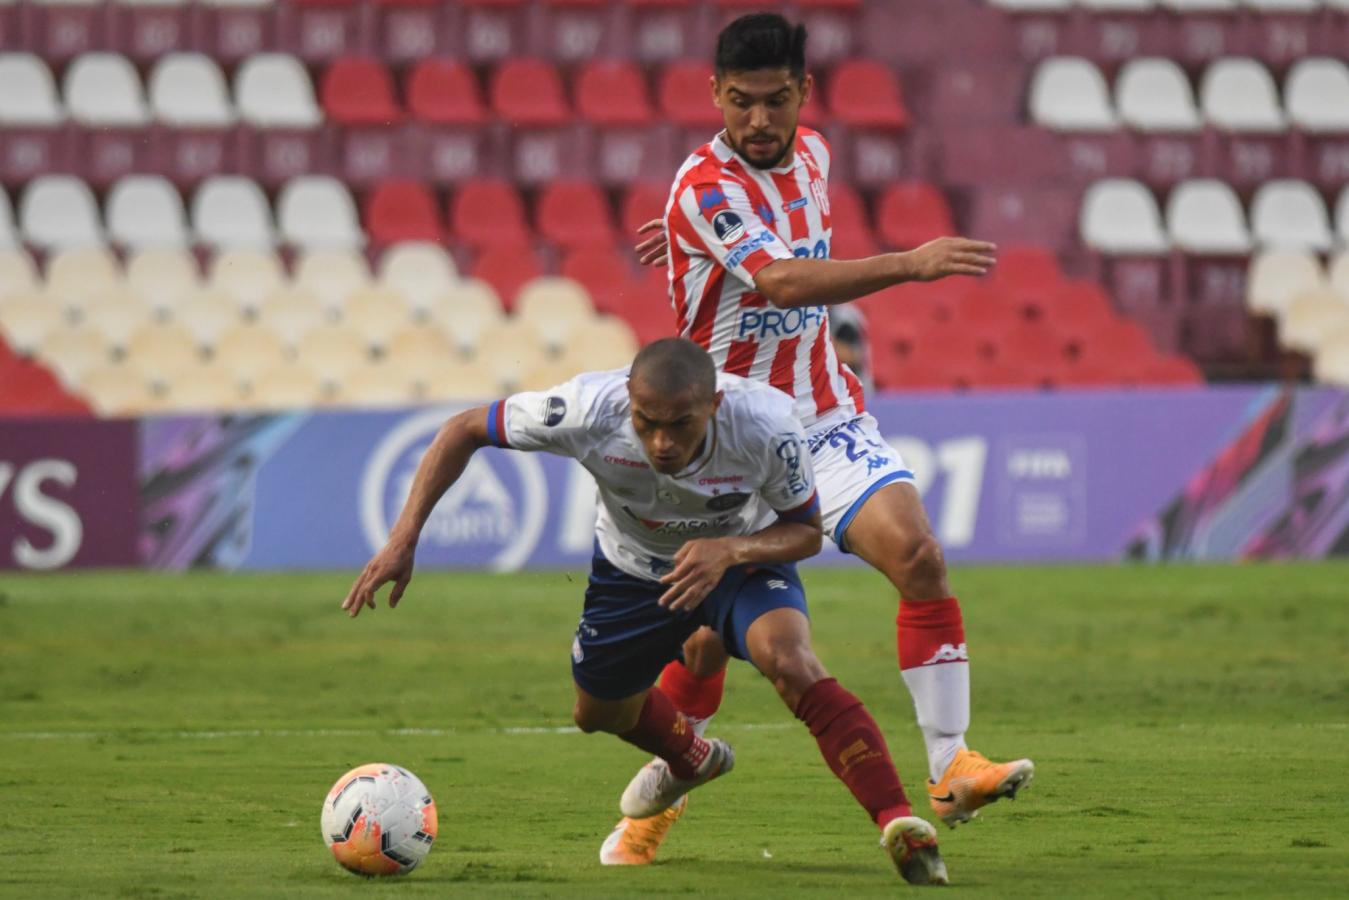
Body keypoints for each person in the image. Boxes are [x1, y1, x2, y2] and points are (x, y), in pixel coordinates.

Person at [602, 13, 1034, 865]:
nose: (757, 120)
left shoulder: (815, 156)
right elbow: (781, 278)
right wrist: (908, 263)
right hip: (722, 442)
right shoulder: (703, 185)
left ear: (802, 92)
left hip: (826, 416)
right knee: (703, 641)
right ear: (713, 95)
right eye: (738, 103)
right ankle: (663, 794)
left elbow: (777, 254)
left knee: (918, 556)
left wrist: (687, 251)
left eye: (773, 101)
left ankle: (950, 766)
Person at [342, 338, 949, 886]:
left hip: (741, 559)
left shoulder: (767, 425)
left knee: (789, 661)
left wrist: (729, 550)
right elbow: (464, 428)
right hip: (633, 573)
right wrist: (404, 537)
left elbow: (805, 533)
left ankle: (901, 824)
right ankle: (692, 757)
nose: (661, 442)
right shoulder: (587, 410)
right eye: (647, 423)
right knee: (596, 711)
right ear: (628, 401)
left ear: (713, 405)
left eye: (680, 424)